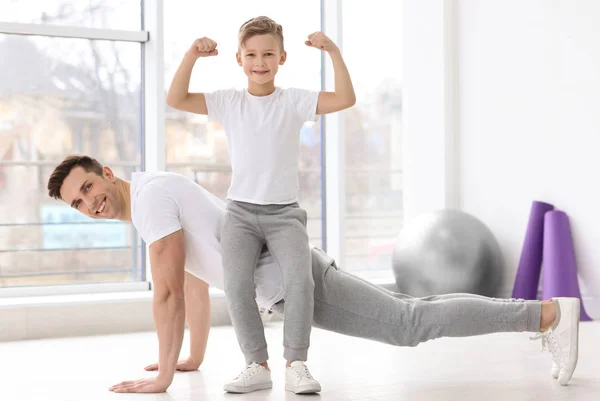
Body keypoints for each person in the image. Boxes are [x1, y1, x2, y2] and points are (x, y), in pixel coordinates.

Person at [46, 155, 580, 394]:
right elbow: (191, 280)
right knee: (412, 314)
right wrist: (192, 358)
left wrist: (161, 377)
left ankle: (546, 314)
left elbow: (165, 293)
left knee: (408, 324)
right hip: (291, 272)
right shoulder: (152, 195)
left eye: (88, 188)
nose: (88, 202)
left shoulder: (149, 201)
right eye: (77, 203)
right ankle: (544, 315)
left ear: (106, 174)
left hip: (289, 279)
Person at [165, 16, 356, 394]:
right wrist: (191, 55)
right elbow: (175, 98)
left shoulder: (294, 100)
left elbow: (345, 98)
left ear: (282, 58)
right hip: (240, 212)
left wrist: (332, 52)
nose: (260, 61)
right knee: (236, 286)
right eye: (251, 54)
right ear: (239, 59)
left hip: (285, 214)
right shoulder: (229, 102)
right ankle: (256, 364)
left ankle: (296, 363)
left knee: (300, 282)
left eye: (268, 53)